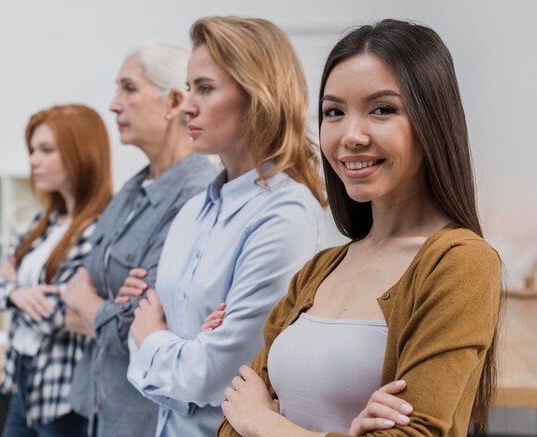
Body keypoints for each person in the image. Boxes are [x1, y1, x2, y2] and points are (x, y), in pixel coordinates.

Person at [217, 19, 502, 437]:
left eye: (382, 109)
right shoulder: (319, 270)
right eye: (334, 112)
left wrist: (264, 422)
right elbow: (231, 420)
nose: (350, 135)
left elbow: (247, 417)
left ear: (432, 120)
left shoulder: (460, 264)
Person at [118, 16, 328, 437]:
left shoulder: (285, 214)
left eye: (206, 88)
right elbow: (137, 331)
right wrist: (179, 347)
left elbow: (215, 375)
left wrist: (157, 340)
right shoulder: (193, 210)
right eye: (189, 87)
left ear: (258, 95)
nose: (187, 105)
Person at [60, 43, 217, 437]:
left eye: (129, 89)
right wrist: (99, 302)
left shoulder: (197, 196)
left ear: (175, 102)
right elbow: (74, 279)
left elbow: (130, 325)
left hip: (144, 418)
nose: (114, 105)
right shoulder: (132, 189)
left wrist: (87, 301)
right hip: (97, 406)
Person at [0, 104, 113, 437]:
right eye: (32, 150)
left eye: (46, 150)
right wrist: (18, 294)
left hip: (64, 392)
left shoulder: (100, 229)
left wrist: (12, 295)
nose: (33, 160)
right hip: (21, 375)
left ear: (80, 153)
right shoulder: (43, 222)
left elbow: (66, 313)